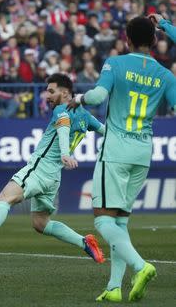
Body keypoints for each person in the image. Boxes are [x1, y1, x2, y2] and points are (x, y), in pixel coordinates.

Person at [67, 16, 176, 302]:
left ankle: (141, 266)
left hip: (115, 149)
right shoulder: (166, 75)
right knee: (120, 223)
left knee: (103, 221)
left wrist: (78, 99)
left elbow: (98, 95)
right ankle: (114, 287)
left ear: (126, 38)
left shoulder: (115, 64)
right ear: (154, 41)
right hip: (142, 152)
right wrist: (167, 26)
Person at [0, 73, 106, 264]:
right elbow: (106, 132)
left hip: (39, 169)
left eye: (51, 91)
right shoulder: (85, 116)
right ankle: (85, 243)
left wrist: (65, 153)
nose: (46, 96)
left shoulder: (61, 109)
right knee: (40, 223)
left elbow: (64, 129)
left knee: (3, 199)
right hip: (54, 177)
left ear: (66, 93)